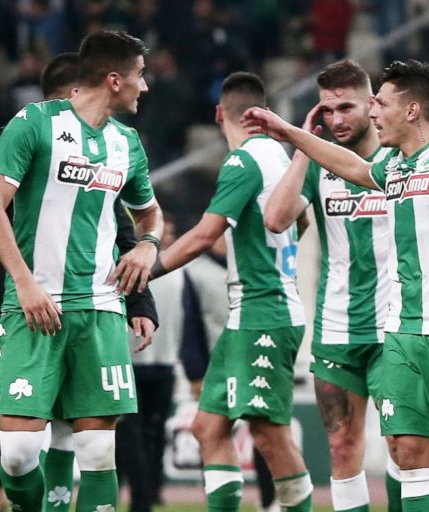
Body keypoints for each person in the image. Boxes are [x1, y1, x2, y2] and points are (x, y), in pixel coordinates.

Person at [242, 59, 429, 510]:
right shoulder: (393, 166)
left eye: (381, 103)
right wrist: (288, 131)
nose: (373, 112)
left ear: (412, 110)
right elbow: (352, 167)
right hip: (400, 333)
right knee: (409, 454)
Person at [0, 51, 159, 512]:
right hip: (25, 306)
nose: (146, 85)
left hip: (97, 308)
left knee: (92, 447)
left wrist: (144, 279)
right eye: (140, 75)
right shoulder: (21, 132)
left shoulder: (124, 142)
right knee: (19, 452)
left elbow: (127, 225)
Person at [151, 71, 311, 512]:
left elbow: (205, 235)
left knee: (269, 435)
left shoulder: (243, 161)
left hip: (264, 311)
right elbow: (301, 219)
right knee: (208, 427)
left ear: (220, 113)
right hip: (255, 310)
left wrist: (146, 271)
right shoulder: (280, 156)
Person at [261, 59, 398, 512]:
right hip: (337, 330)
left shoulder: (399, 160)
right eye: (327, 110)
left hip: (396, 329)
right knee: (342, 448)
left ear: (371, 104)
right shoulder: (320, 164)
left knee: (404, 446)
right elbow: (275, 219)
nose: (336, 119)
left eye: (346, 107)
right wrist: (305, 145)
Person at [117, 213, 182, 512]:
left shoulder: (178, 271)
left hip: (162, 363)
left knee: (148, 434)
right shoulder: (127, 265)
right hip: (133, 362)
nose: (166, 237)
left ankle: (149, 493)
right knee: (134, 435)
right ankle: (142, 497)